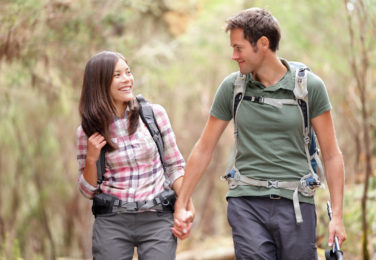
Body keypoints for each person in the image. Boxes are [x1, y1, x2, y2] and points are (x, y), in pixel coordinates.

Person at [172, 8, 346, 259]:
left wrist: (337, 217)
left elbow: (331, 155)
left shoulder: (309, 87)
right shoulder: (232, 87)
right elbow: (204, 147)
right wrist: (182, 201)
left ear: (263, 43)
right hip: (246, 203)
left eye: (239, 48)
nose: (233, 56)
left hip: (296, 204)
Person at [76, 51, 194, 260]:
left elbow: (174, 166)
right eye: (117, 75)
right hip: (112, 221)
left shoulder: (154, 115)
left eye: (128, 72)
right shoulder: (87, 131)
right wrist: (92, 159)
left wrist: (184, 207)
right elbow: (87, 190)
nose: (127, 79)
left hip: (157, 217)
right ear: (100, 83)